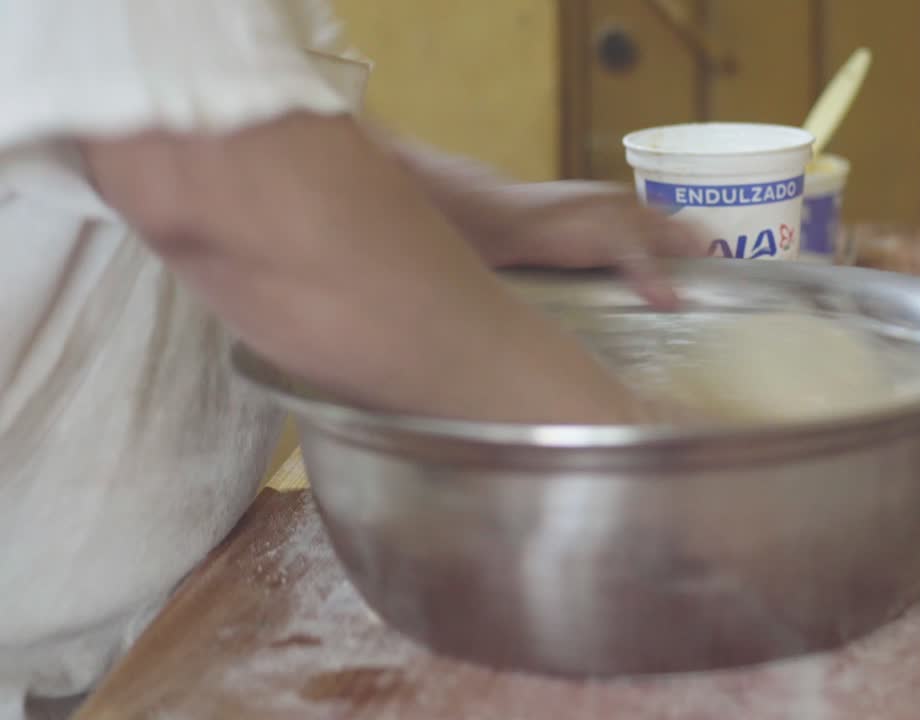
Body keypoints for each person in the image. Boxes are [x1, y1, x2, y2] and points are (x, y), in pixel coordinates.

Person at [0, 1, 703, 716]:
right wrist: (631, 453)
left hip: (134, 637)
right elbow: (208, 177)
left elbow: (268, 113)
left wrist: (497, 214)